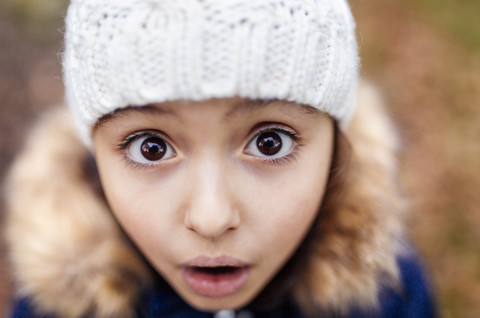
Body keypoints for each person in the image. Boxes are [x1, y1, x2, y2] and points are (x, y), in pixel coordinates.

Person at [5, 0, 436, 317]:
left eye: (270, 142)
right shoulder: (56, 307)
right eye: (150, 147)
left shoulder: (388, 296)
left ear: (334, 147)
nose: (211, 219)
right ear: (94, 154)